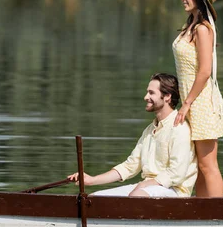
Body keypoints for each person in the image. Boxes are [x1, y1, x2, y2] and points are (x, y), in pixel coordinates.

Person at [68, 73, 197, 197]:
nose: (146, 97)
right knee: (95, 198)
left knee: (137, 195)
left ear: (167, 96)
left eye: (151, 93)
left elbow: (176, 173)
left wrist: (144, 185)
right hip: (145, 188)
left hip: (174, 191)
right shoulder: (149, 130)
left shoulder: (180, 128)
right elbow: (130, 166)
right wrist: (91, 180)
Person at [173, 0, 223, 198]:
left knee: (208, 166)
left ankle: (218, 216)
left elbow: (205, 71)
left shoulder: (202, 30)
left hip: (201, 104)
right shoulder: (190, 24)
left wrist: (186, 104)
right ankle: (201, 213)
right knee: (195, 166)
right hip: (190, 101)